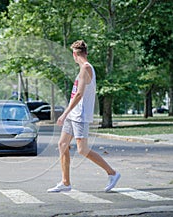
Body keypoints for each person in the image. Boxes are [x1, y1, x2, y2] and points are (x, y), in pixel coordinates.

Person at [47, 40, 120, 193]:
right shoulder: (83, 68)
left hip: (79, 115)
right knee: (62, 145)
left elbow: (79, 94)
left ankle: (112, 173)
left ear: (75, 54)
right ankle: (65, 183)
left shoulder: (86, 69)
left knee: (82, 149)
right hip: (73, 115)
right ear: (85, 52)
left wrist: (65, 113)